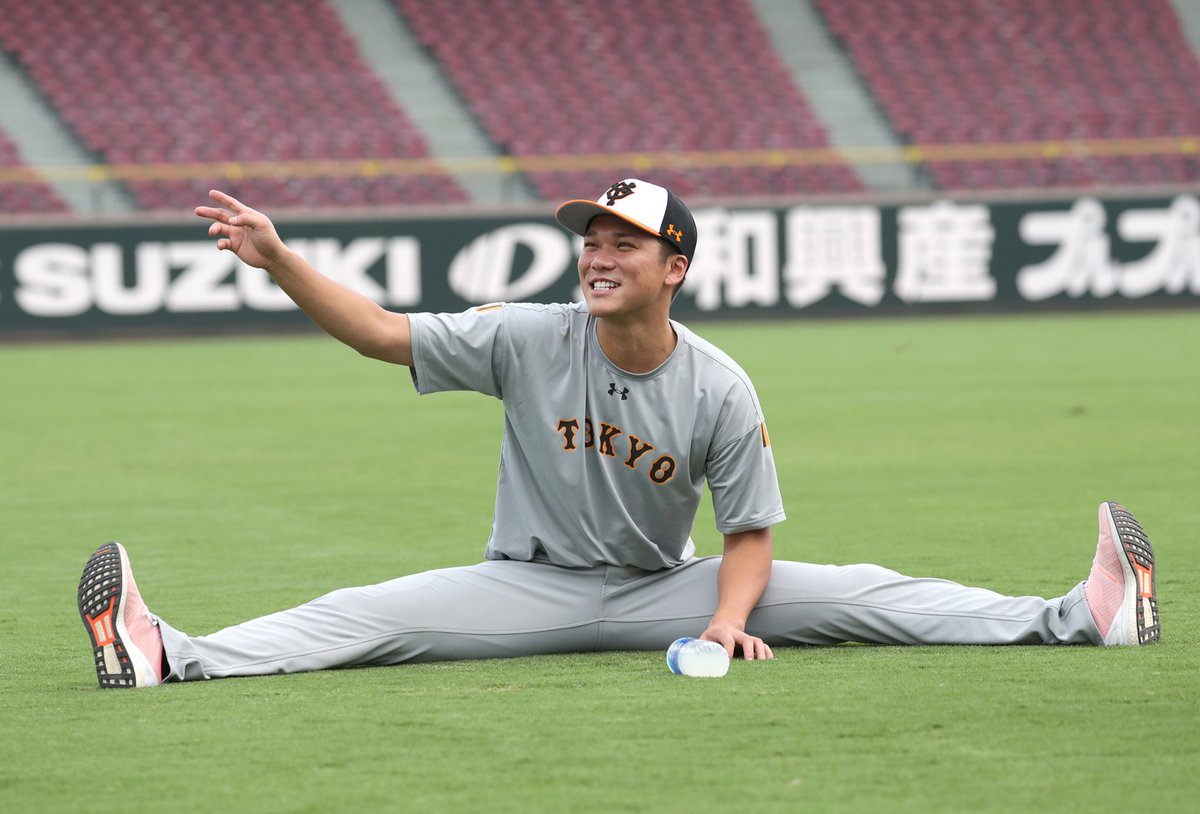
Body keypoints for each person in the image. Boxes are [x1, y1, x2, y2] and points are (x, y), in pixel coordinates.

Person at [76, 178, 1160, 689]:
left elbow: (749, 534)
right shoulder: (526, 337)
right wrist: (281, 260)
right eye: (590, 237)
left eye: (624, 242)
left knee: (866, 592)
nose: (597, 252)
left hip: (668, 588)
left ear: (673, 268)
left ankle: (1081, 614)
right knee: (361, 615)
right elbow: (379, 333)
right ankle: (166, 652)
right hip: (524, 583)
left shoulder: (721, 387)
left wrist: (728, 623)